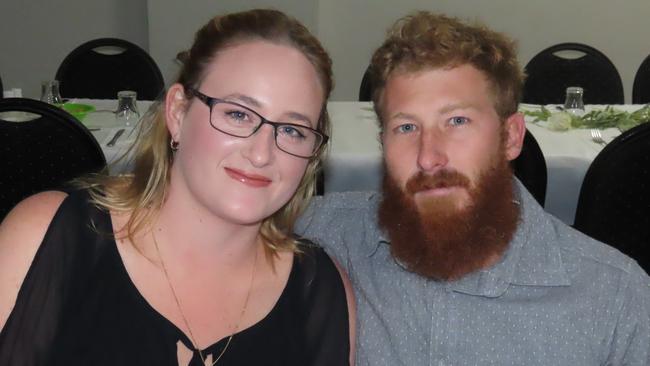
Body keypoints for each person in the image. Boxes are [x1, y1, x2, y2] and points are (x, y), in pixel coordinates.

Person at [0, 9, 354, 366]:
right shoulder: (47, 239)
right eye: (237, 114)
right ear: (178, 113)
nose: (262, 154)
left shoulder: (320, 293)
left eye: (292, 130)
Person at [297, 11, 650, 365]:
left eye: (457, 121)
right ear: (382, 142)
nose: (428, 157)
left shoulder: (615, 301)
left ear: (511, 137)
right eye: (406, 127)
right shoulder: (323, 235)